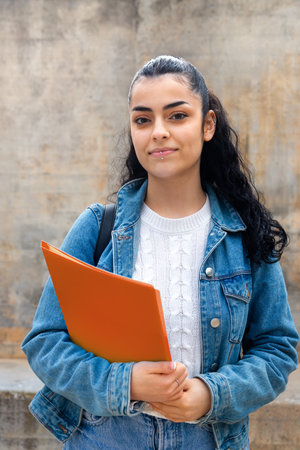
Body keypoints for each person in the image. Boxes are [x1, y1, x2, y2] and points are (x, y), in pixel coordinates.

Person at [22, 55, 299, 450]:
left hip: (208, 438)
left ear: (208, 125)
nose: (159, 132)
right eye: (143, 119)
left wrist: (210, 394)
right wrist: (125, 382)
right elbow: (44, 342)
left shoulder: (244, 234)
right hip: (105, 435)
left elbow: (276, 350)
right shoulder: (98, 228)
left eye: (177, 116)